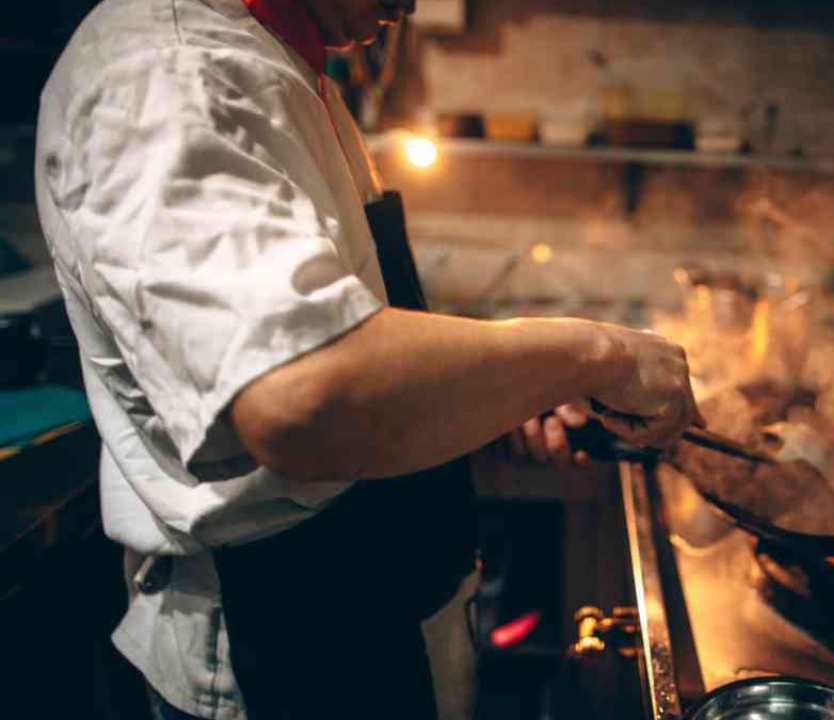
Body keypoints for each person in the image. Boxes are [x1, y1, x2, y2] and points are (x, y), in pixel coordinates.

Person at [33, 0, 701, 717]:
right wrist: (595, 354)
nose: (413, 4)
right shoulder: (170, 73)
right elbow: (302, 395)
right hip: (290, 653)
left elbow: (350, 344)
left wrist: (501, 396)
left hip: (375, 616)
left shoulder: (278, 60)